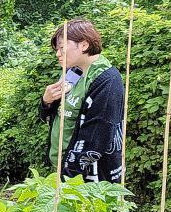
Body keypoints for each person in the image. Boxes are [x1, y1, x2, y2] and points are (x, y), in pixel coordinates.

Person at [39, 19, 124, 184]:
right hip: (64, 169)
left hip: (89, 178)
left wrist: (68, 178)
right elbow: (57, 114)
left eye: (62, 48)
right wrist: (46, 101)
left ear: (84, 45)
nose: (57, 54)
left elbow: (96, 137)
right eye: (57, 49)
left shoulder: (107, 81)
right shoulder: (73, 73)